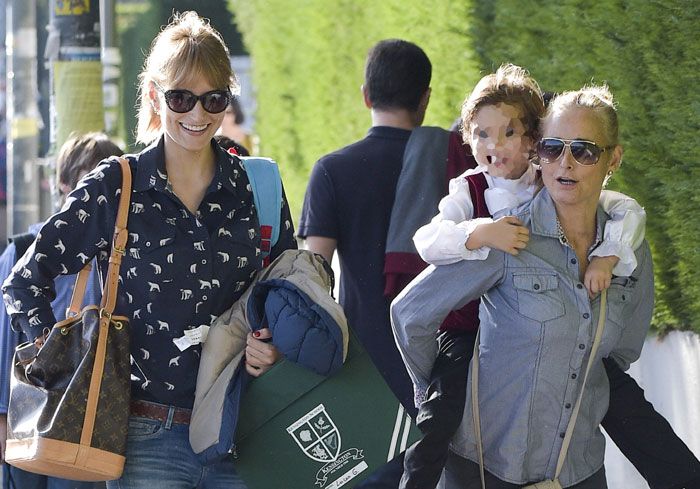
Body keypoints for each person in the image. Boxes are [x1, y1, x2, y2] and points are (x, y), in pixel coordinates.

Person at [2, 11, 296, 489]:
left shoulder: (256, 185)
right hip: (145, 436)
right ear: (155, 95)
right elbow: (24, 280)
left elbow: (288, 289)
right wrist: (56, 360)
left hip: (246, 428)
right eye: (181, 97)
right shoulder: (115, 185)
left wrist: (273, 342)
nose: (197, 115)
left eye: (213, 99)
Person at [398, 66, 700, 489]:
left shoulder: (628, 247)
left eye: (585, 151)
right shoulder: (507, 233)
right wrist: (446, 391)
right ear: (539, 152)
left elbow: (619, 353)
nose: (566, 163)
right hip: (487, 467)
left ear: (613, 158)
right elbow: (411, 314)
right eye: (554, 148)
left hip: (576, 469)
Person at [298, 39, 432, 487]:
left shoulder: (332, 171)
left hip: (367, 375)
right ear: (425, 98)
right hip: (446, 367)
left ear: (365, 96)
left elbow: (313, 278)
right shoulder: (451, 166)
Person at [0, 132, 121, 489]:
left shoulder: (117, 260)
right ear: (62, 187)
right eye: (84, 187)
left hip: (88, 421)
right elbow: (5, 342)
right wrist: (3, 417)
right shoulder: (24, 251)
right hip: (28, 411)